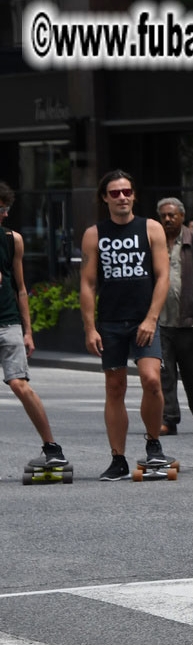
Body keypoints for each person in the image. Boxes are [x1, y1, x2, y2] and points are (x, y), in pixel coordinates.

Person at [79, 169, 173, 481]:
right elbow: (88, 284)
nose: (123, 197)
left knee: (151, 380)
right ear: (104, 198)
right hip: (110, 321)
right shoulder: (95, 234)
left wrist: (151, 319)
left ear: (133, 195)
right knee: (115, 387)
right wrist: (90, 328)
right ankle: (117, 458)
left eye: (127, 191)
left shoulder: (151, 228)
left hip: (143, 320)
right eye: (115, 193)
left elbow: (162, 277)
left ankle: (154, 444)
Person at [0, 181, 68, 469]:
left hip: (8, 321)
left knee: (19, 383)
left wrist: (28, 331)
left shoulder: (13, 239)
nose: (5, 214)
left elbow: (21, 288)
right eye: (1, 208)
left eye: (7, 208)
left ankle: (52, 448)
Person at [155, 197, 193, 436]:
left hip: (190, 321)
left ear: (182, 216)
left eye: (172, 215)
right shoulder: (154, 242)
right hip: (160, 322)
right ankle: (168, 419)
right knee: (165, 374)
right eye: (164, 216)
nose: (168, 219)